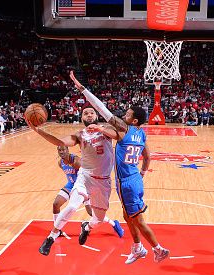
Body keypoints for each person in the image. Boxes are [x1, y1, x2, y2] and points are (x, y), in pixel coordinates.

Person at [69, 71, 169, 263]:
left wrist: (82, 88)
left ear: (134, 121)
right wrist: (142, 173)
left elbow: (101, 108)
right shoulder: (141, 133)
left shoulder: (124, 128)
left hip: (126, 183)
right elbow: (147, 157)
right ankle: (137, 247)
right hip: (136, 179)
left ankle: (158, 249)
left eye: (128, 114)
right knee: (127, 215)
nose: (125, 114)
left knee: (138, 220)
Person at [28, 105, 123, 256]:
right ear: (82, 118)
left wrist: (99, 129)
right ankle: (51, 237)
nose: (89, 114)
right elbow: (59, 142)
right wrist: (38, 131)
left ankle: (86, 227)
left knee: (97, 220)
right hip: (85, 177)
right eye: (85, 113)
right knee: (72, 207)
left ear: (96, 116)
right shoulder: (80, 135)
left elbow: (118, 135)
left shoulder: (106, 130)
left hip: (103, 182)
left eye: (91, 112)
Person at [53, 145, 123, 239]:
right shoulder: (60, 162)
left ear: (67, 150)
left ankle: (113, 223)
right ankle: (57, 230)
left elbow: (88, 172)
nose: (61, 152)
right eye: (59, 150)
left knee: (91, 213)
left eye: (63, 149)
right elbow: (70, 175)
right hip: (70, 186)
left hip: (82, 186)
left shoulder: (76, 161)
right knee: (56, 204)